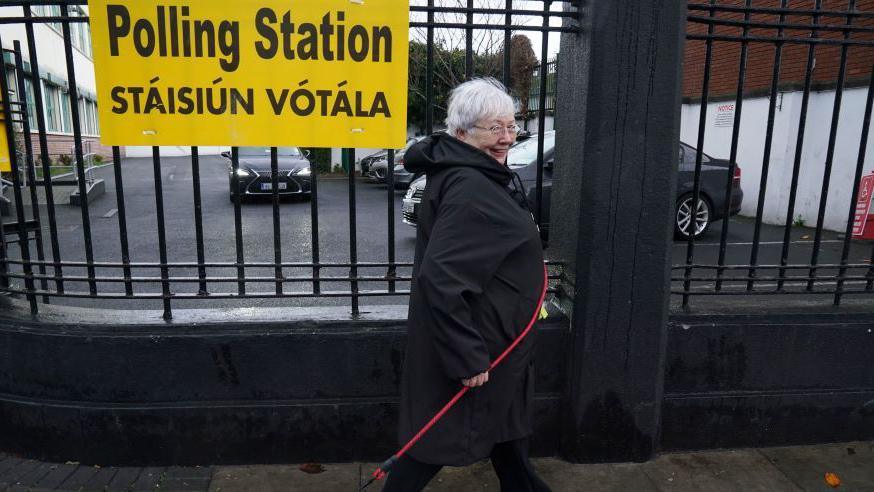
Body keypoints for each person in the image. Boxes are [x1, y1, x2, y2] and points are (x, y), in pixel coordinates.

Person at [384, 78, 550, 491]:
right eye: (494, 128)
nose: (507, 138)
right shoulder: (472, 188)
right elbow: (441, 279)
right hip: (482, 345)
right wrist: (468, 357)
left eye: (511, 126)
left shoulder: (477, 174)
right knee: (436, 438)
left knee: (505, 429)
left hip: (499, 337)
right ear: (460, 133)